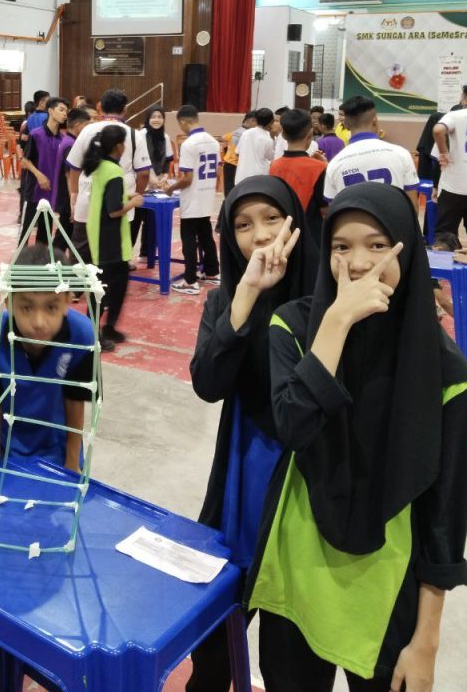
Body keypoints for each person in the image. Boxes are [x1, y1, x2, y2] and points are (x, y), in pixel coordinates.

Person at [247, 183, 467, 692]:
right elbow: (294, 426)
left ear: (407, 252)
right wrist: (337, 321)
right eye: (341, 246)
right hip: (297, 570)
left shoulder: (447, 375)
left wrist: (426, 642)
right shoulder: (294, 326)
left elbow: (444, 519)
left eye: (378, 245)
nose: (357, 263)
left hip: (387, 591)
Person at [186, 176, 318, 692]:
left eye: (271, 219)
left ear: (295, 223)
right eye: (242, 225)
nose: (260, 235)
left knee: (291, 648)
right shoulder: (224, 300)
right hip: (244, 474)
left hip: (306, 482)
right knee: (215, 634)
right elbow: (208, 384)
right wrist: (245, 294)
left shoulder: (322, 301)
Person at [0, 242, 97, 677]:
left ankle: (44, 623)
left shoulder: (82, 336)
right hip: (6, 451)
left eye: (51, 307)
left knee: (51, 541)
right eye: (26, 307)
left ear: (69, 301)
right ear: (8, 301)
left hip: (54, 452)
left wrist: (71, 469)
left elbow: (76, 404)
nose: (38, 321)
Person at [66, 87, 151, 267]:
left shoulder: (87, 130)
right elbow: (144, 173)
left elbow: (74, 167)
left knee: (81, 253)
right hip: (120, 201)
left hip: (87, 197)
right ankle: (107, 282)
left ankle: (78, 283)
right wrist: (136, 194)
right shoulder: (134, 135)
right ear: (125, 109)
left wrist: (74, 195)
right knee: (113, 256)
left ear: (100, 108)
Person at [84, 124, 144, 346]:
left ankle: (109, 327)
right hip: (108, 236)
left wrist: (126, 196)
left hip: (100, 232)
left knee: (116, 284)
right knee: (106, 287)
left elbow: (107, 198)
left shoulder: (101, 166)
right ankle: (92, 333)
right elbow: (113, 211)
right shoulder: (114, 171)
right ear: (119, 146)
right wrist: (134, 202)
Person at [323, 96, 419, 208]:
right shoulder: (402, 154)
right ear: (375, 120)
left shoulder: (335, 164)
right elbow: (412, 205)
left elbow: (333, 210)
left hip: (355, 219)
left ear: (346, 124)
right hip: (395, 219)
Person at [164, 104, 220, 295]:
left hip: (193, 197)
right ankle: (212, 271)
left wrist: (170, 188)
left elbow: (187, 179)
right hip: (207, 194)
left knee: (189, 239)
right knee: (205, 235)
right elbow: (217, 171)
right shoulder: (213, 141)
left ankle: (190, 280)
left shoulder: (189, 144)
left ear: (182, 122)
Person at [269, 108, 327, 244]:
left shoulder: (274, 166)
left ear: (283, 135)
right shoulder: (319, 168)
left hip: (282, 235)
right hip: (310, 237)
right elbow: (325, 210)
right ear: (310, 134)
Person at [432, 83, 467, 248]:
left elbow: (438, 130)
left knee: (445, 234)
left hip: (454, 185)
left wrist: (443, 152)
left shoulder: (455, 115)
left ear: (465, 99)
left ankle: (444, 264)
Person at [19, 96, 69, 243]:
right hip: (34, 189)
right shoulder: (36, 134)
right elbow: (25, 160)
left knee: (45, 230)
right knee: (27, 229)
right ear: (51, 111)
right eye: (61, 110)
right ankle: (21, 255)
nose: (65, 114)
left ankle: (42, 255)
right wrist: (39, 176)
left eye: (66, 111)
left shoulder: (62, 139)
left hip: (51, 191)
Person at [134, 106, 174, 258]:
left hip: (156, 185)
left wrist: (164, 177)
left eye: (160, 117)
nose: (156, 120)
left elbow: (167, 161)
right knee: (135, 220)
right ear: (147, 119)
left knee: (152, 220)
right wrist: (152, 179)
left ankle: (146, 254)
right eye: (153, 117)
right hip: (140, 182)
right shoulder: (140, 135)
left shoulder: (165, 137)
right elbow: (139, 162)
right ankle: (126, 257)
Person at [52, 105, 91, 252]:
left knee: (65, 234)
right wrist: (73, 204)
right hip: (67, 198)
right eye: (87, 125)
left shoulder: (68, 140)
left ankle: (56, 260)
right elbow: (70, 176)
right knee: (64, 236)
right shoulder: (71, 145)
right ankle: (52, 260)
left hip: (66, 197)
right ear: (79, 125)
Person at [234, 107, 275, 184]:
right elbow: (271, 157)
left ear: (256, 119)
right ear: (271, 122)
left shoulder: (246, 133)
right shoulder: (268, 139)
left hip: (241, 176)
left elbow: (237, 153)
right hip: (258, 177)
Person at [221, 111, 256, 196]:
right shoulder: (247, 134)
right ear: (252, 120)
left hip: (228, 165)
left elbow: (223, 137)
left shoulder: (236, 131)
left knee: (229, 192)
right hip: (237, 166)